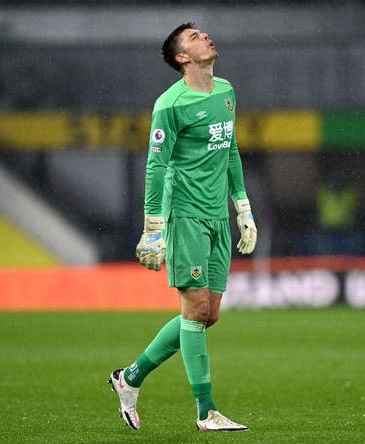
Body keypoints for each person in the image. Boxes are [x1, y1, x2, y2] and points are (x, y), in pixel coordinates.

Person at [108, 23, 257, 432]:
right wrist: (153, 227)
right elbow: (156, 165)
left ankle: (130, 378)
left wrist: (242, 207)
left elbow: (231, 149)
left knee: (209, 315)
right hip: (185, 215)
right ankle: (206, 411)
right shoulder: (169, 105)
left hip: (217, 217)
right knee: (194, 310)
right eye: (194, 38)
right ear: (182, 58)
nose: (206, 37)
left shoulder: (226, 92)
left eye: (204, 33)